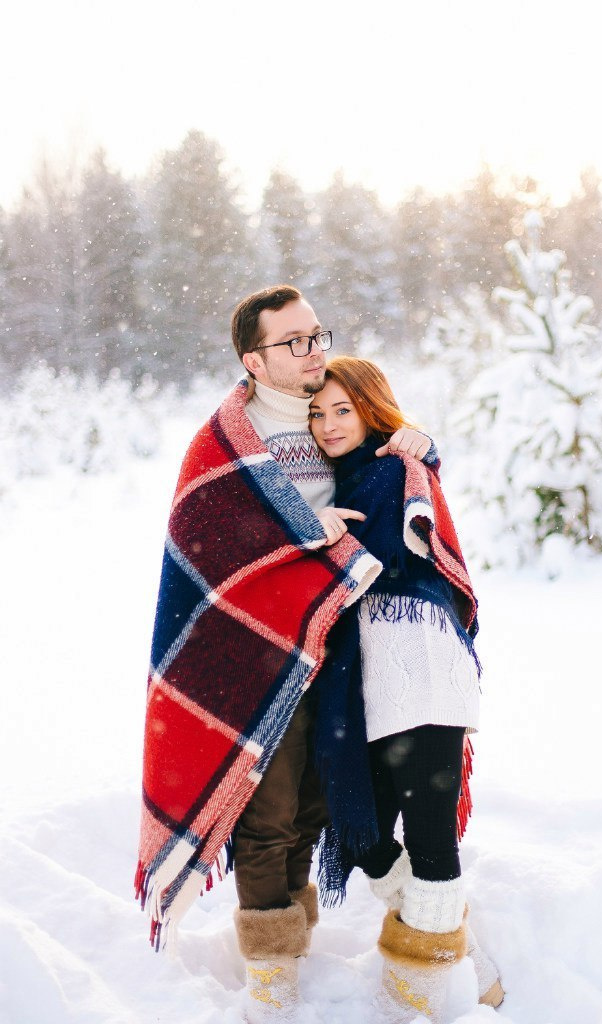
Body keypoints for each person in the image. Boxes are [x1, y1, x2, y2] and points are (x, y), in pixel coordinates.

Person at [135, 286, 432, 1022]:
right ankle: (270, 976)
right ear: (253, 359)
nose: (313, 351)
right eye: (294, 342)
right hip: (252, 654)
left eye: (316, 335)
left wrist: (419, 441)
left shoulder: (324, 412)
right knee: (264, 814)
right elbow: (206, 545)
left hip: (331, 648)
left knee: (312, 804)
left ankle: (289, 937)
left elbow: (380, 446)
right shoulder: (225, 441)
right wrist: (301, 529)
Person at [309, 357, 504, 1022]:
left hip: (421, 666)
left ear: (371, 410)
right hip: (366, 679)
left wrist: (330, 533)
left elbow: (394, 538)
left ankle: (420, 997)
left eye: (344, 409)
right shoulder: (323, 484)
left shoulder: (395, 466)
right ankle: (469, 959)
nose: (330, 424)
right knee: (363, 836)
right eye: (318, 412)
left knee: (429, 842)